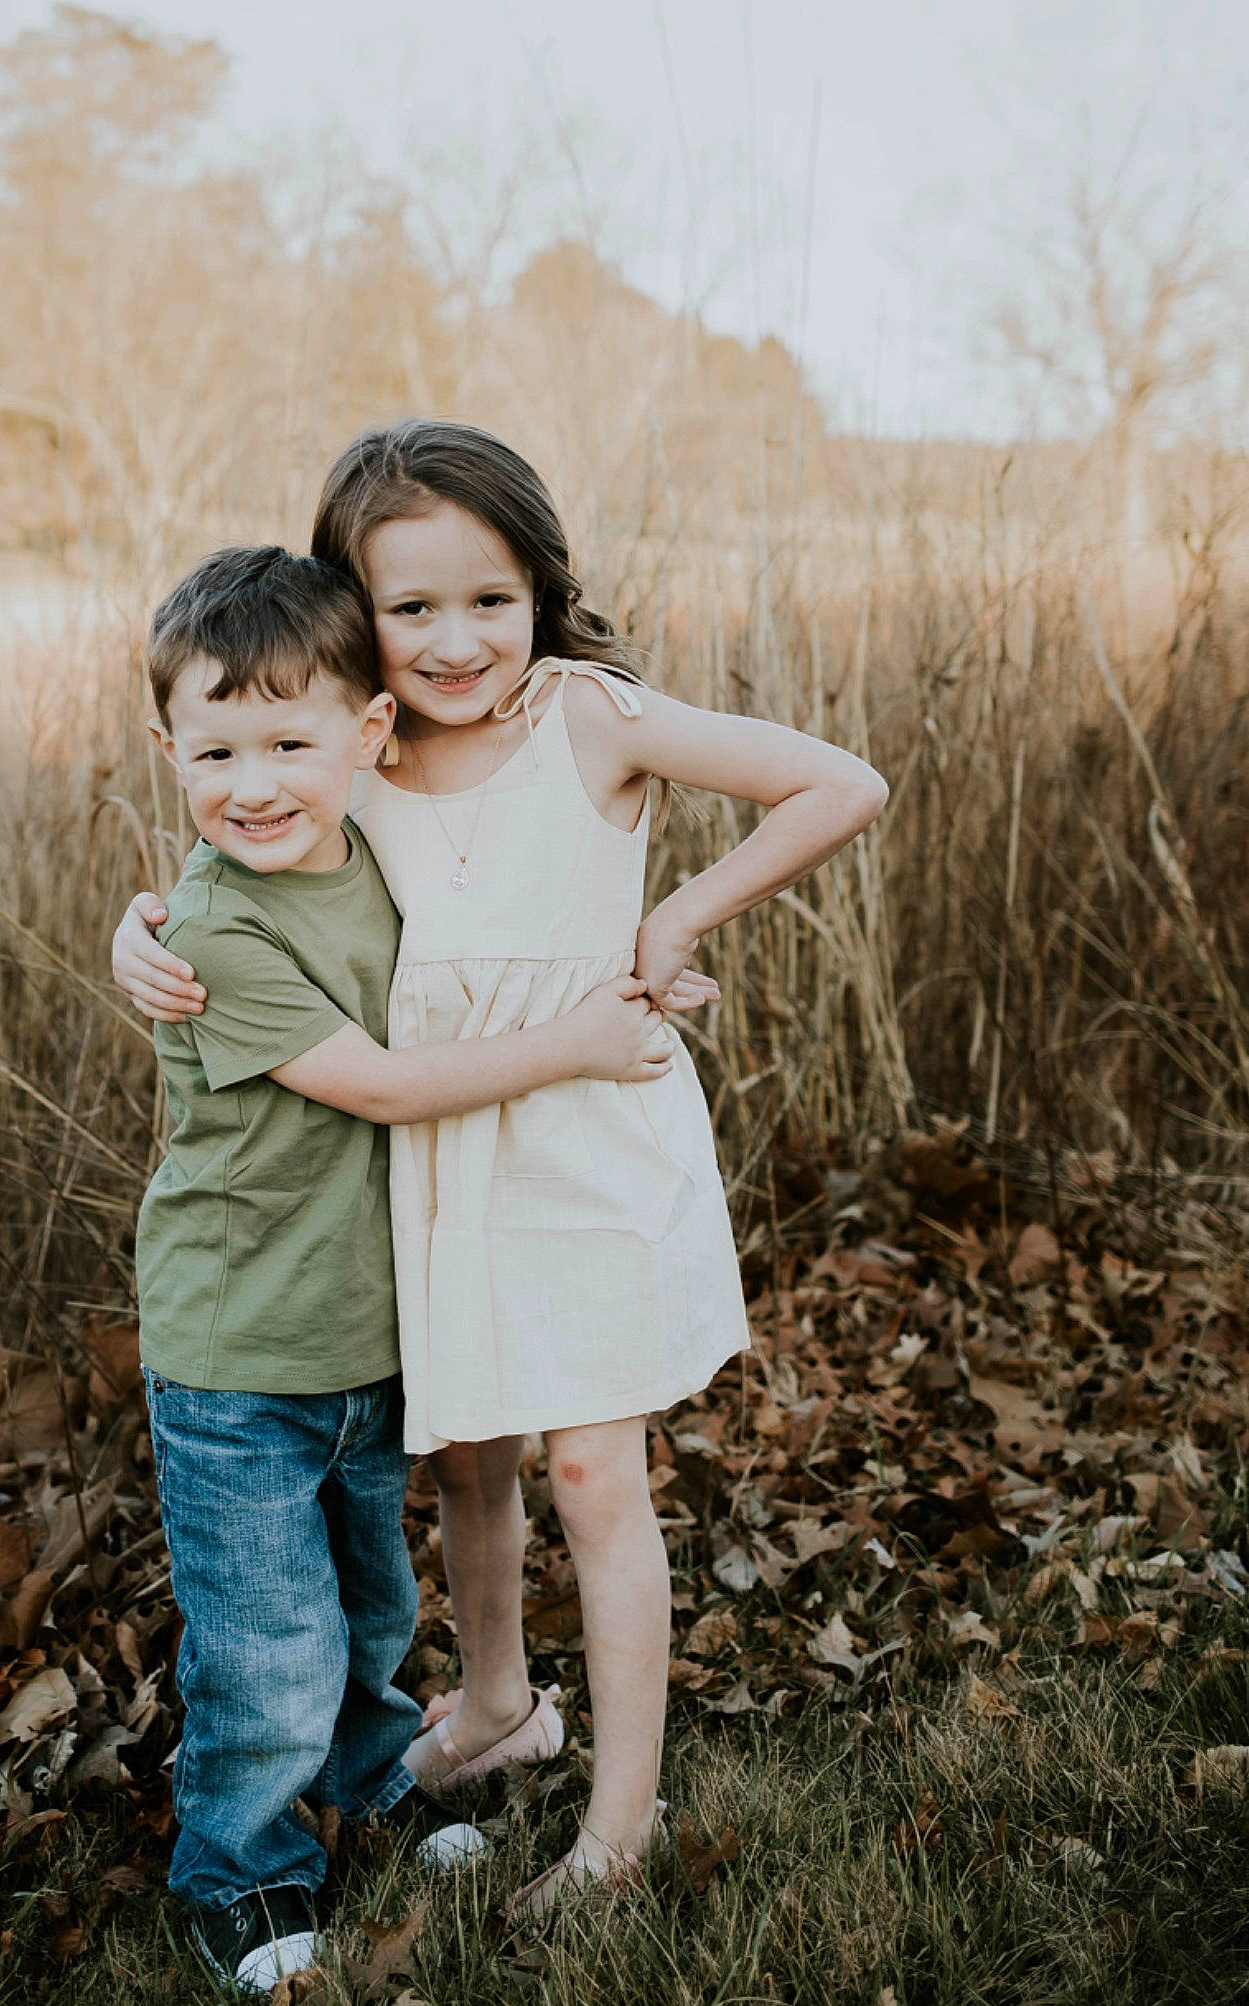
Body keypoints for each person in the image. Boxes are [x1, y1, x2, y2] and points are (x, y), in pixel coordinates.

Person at [116, 426, 888, 1919]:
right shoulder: (359, 737)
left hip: (584, 1121)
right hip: (436, 1144)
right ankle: (490, 1707)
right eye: (409, 610)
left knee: (593, 1469)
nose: (454, 640)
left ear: (539, 587)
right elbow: (248, 842)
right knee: (469, 1454)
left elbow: (834, 783)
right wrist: (136, 928)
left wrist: (674, 928)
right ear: (352, 618)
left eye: (489, 598)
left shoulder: (584, 718)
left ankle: (616, 1829)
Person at [131, 541, 677, 1990]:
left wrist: (642, 952)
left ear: (367, 740)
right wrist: (582, 1044)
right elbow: (381, 1084)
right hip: (239, 1349)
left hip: (365, 1337)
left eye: (288, 744)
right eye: (214, 751)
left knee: (370, 1608)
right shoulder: (218, 924)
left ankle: (372, 1783)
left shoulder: (367, 847)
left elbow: (496, 917)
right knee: (269, 1641)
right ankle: (241, 1870)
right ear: (169, 751)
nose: (253, 782)